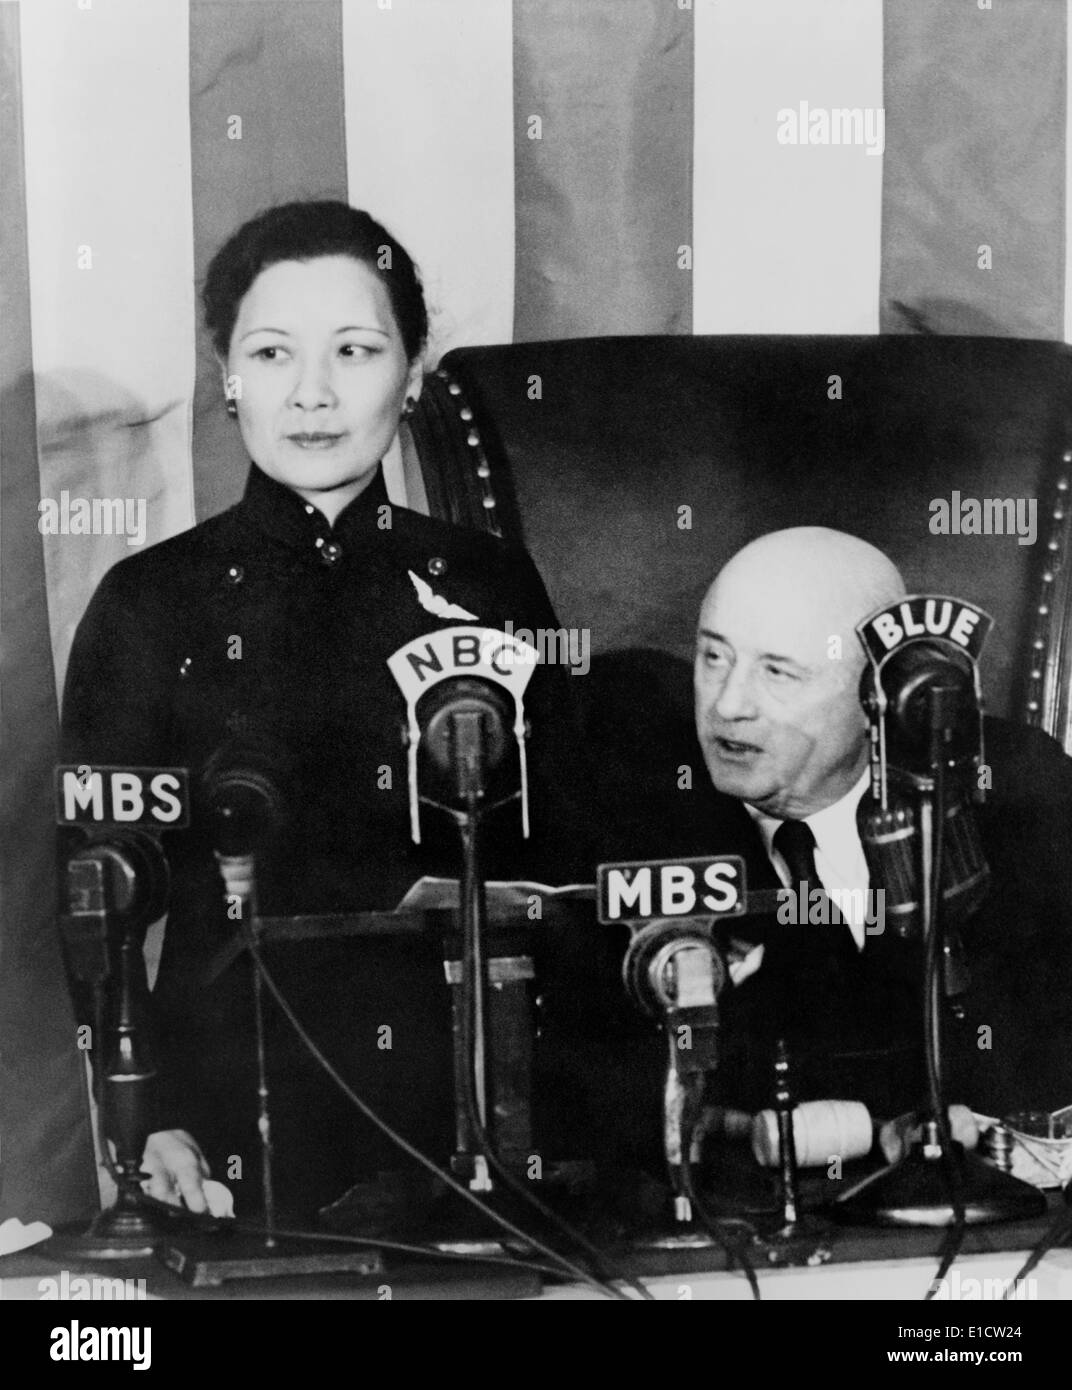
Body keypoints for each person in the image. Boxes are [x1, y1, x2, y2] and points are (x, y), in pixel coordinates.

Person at [60, 200, 588, 1221]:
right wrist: (145, 1118)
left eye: (354, 349)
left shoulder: (488, 582)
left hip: (475, 1104)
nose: (312, 393)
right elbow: (95, 898)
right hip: (226, 1118)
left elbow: (560, 849)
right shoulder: (148, 600)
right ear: (226, 375)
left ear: (413, 369)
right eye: (271, 352)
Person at [594, 526, 1072, 1129]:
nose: (727, 705)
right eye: (714, 657)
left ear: (877, 693)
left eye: (778, 673)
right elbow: (594, 1083)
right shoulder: (627, 807)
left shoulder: (1016, 797)